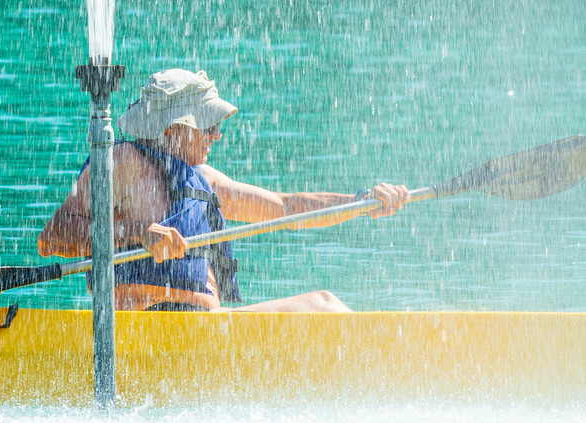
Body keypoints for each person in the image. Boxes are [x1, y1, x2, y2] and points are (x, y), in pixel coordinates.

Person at [38, 67, 411, 313]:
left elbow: (287, 207)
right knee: (326, 308)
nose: (217, 134)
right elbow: (52, 238)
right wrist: (136, 233)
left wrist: (363, 202)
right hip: (149, 334)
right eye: (207, 125)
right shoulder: (120, 160)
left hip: (202, 330)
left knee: (326, 304)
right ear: (171, 129)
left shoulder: (201, 179)